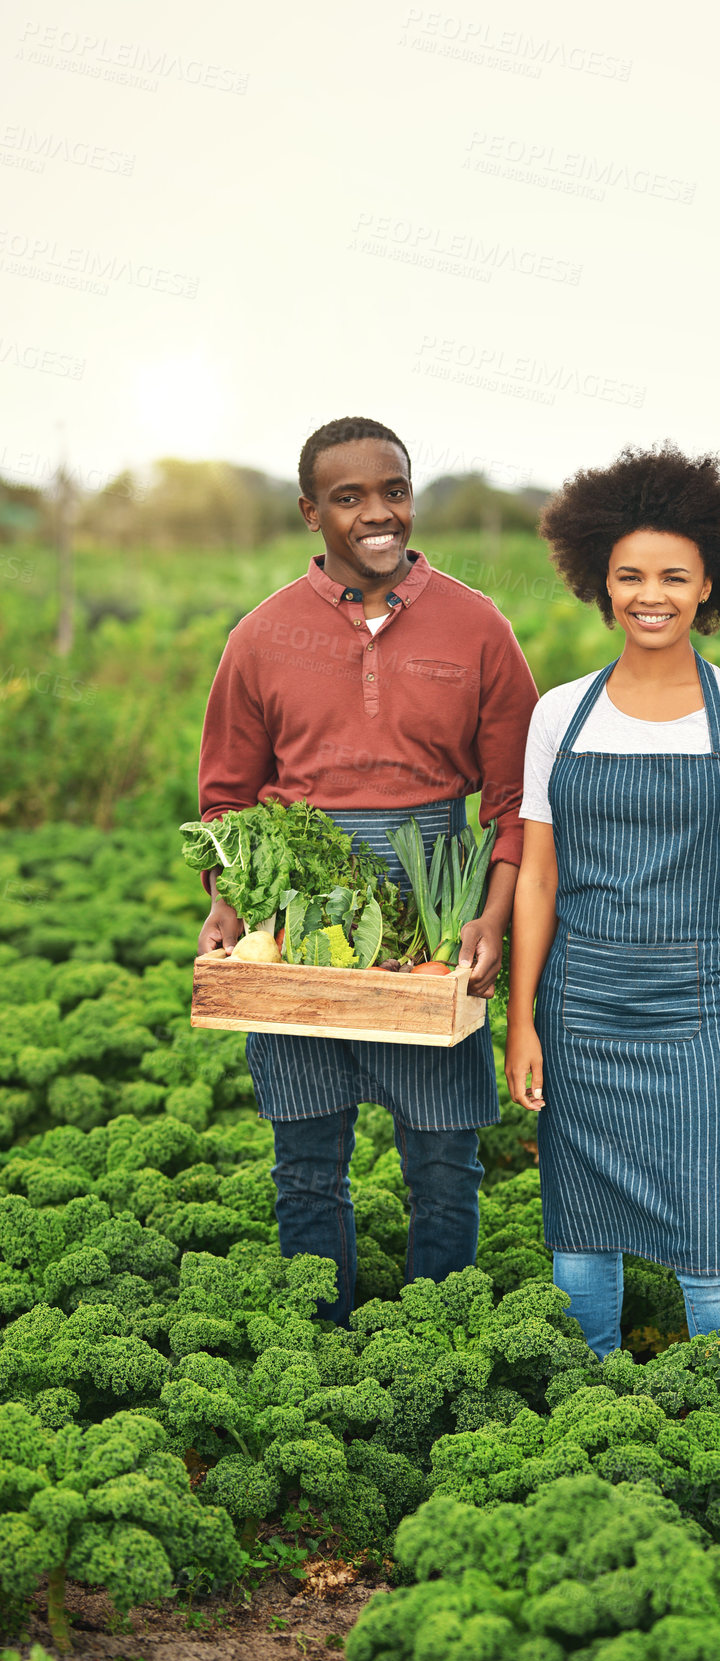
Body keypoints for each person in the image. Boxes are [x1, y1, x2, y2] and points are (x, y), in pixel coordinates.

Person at [196, 416, 538, 1326]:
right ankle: (320, 1339)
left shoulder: (475, 627)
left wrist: (492, 918)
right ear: (313, 512)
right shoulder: (261, 637)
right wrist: (232, 903)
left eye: (392, 490)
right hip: (300, 918)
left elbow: (516, 802)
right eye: (349, 497)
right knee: (306, 1159)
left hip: (435, 911)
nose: (376, 513)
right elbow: (227, 798)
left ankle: (437, 1334)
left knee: (443, 1159)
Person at [505, 444, 720, 1358]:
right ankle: (585, 1415)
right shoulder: (561, 712)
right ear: (601, 581)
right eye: (630, 575)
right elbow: (538, 877)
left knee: (714, 1245)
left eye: (674, 575)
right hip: (580, 1009)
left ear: (712, 581)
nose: (651, 594)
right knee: (580, 1239)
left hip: (700, 1011)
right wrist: (521, 1021)